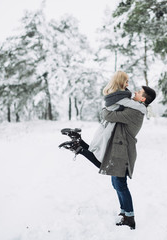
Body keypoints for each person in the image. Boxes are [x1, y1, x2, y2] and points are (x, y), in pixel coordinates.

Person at [60, 80, 156, 230]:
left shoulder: (135, 111)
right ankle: (124, 213)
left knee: (121, 185)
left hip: (122, 152)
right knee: (116, 183)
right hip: (118, 148)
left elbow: (108, 115)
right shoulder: (133, 108)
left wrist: (111, 104)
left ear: (143, 99)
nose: (135, 93)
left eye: (139, 92)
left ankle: (129, 218)